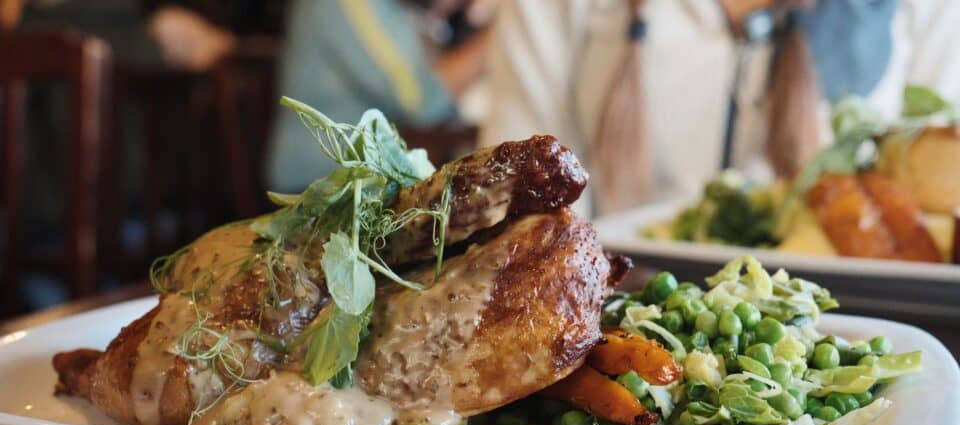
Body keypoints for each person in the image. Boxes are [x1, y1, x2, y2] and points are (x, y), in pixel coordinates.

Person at [479, 0, 960, 217]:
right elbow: (512, 193)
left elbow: (937, 208)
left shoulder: (922, 10)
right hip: (614, 324)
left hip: (845, 328)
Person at [267, 0, 491, 195]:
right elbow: (421, 103)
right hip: (319, 187)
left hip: (366, 185)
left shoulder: (396, 8)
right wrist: (500, 32)